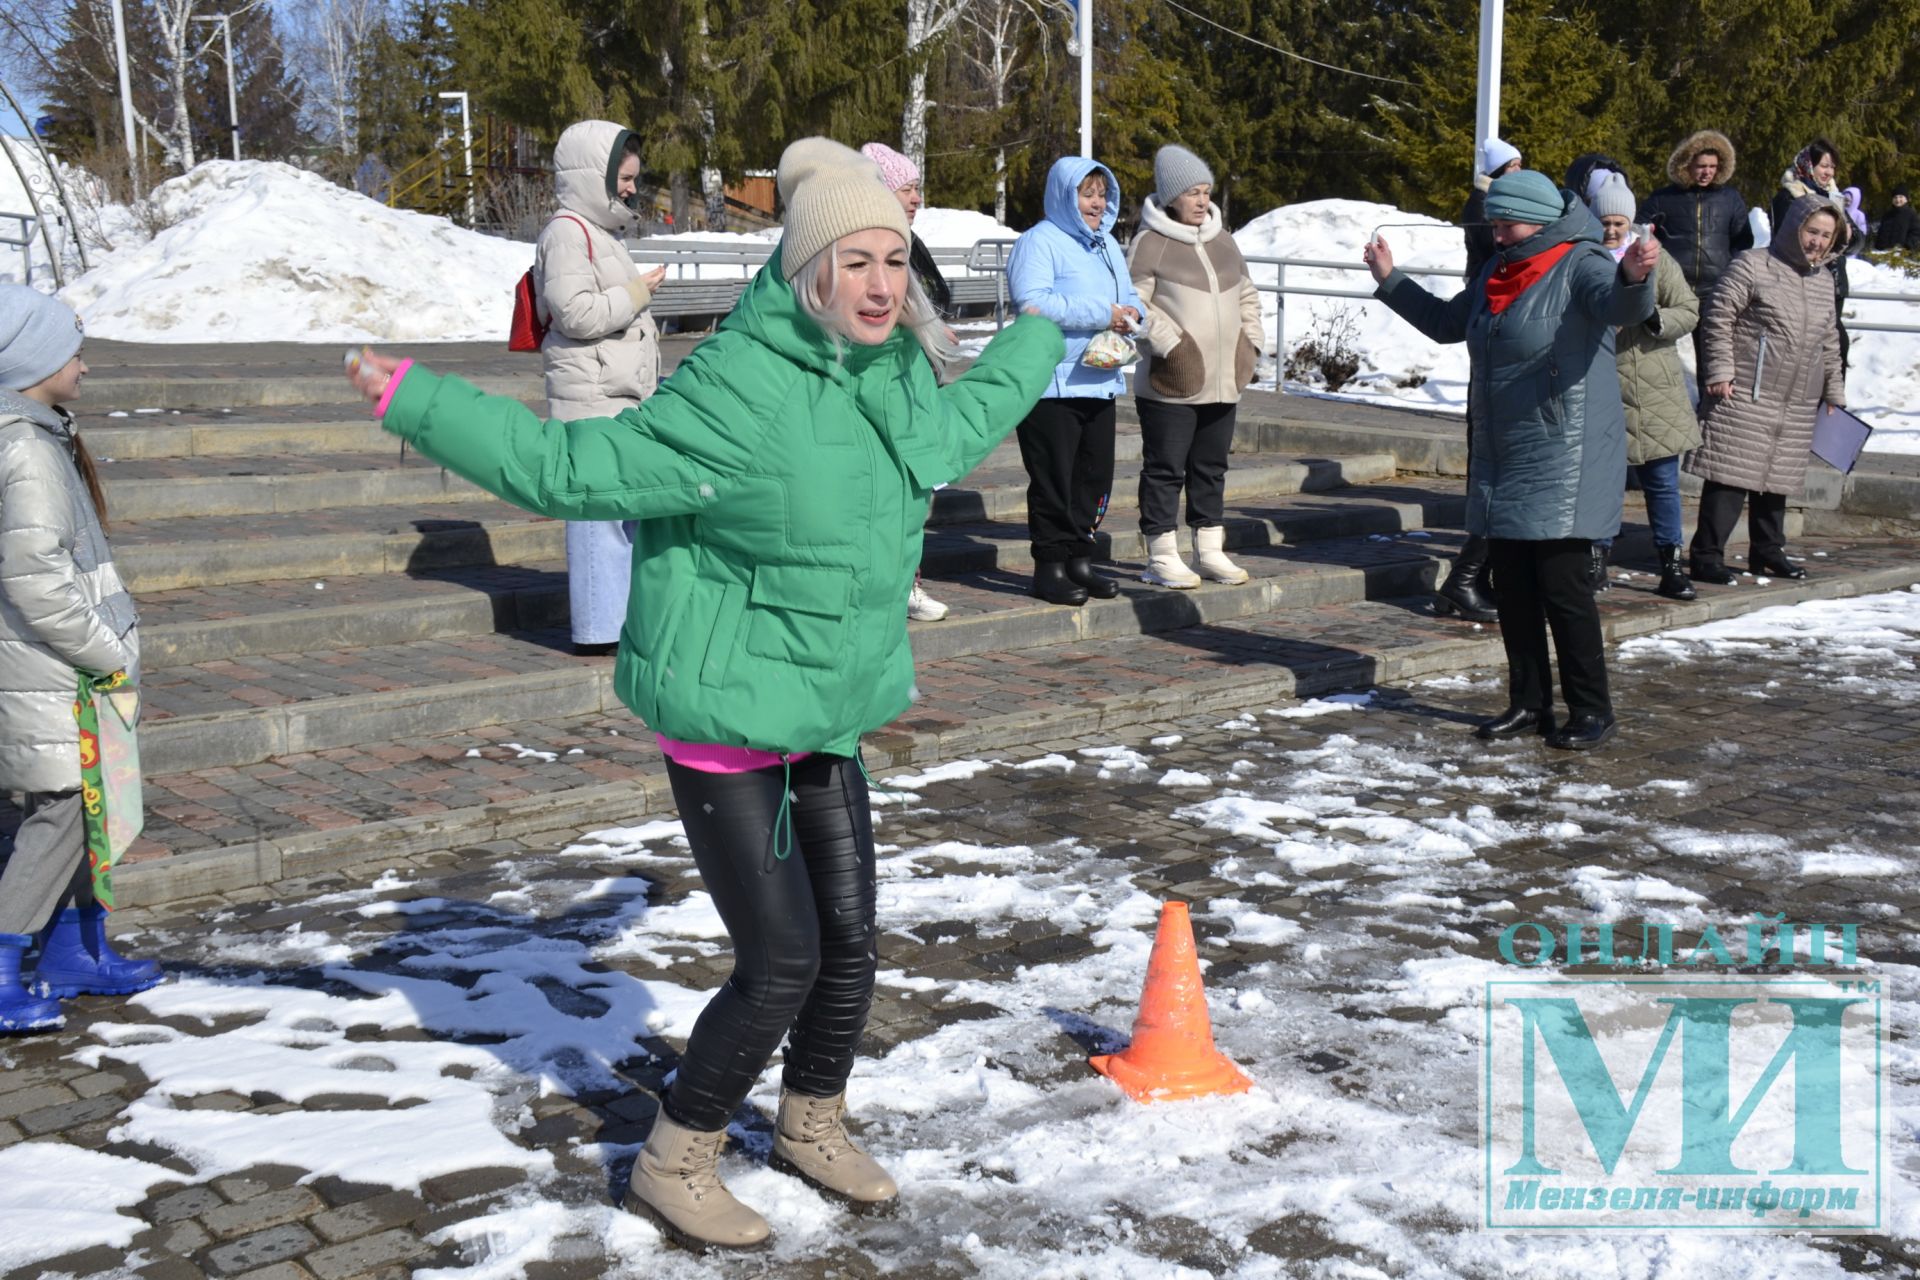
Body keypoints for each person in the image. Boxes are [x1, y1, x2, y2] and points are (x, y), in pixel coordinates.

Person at [346, 139, 1062, 1249]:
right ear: (807, 267)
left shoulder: (890, 372)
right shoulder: (742, 390)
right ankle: (675, 1156)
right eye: (856, 262)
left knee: (853, 941)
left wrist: (1041, 334)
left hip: (823, 707)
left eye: (894, 261)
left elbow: (951, 434)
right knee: (782, 958)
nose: (881, 285)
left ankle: (811, 1120)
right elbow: (572, 472)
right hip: (729, 713)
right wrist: (417, 399)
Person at [1364, 170, 1659, 751]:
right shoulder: (1499, 270)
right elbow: (1451, 324)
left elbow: (1619, 306)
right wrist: (1391, 280)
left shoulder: (1583, 262)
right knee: (1514, 587)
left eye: (1508, 224)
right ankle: (1528, 703)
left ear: (1541, 219)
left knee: (1563, 586)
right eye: (1494, 225)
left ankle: (1592, 709)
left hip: (1564, 452)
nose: (1499, 236)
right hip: (1504, 452)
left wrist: (1634, 276)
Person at [0, 287, 161, 1034]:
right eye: (72, 352)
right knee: (65, 809)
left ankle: (72, 948)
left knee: (90, 805)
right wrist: (106, 654)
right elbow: (37, 578)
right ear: (34, 361)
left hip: (60, 664)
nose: (86, 366)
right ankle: (4, 960)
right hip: (52, 668)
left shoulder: (41, 434)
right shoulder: (26, 450)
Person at [535, 120, 667, 656]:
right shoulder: (568, 232)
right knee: (596, 517)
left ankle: (616, 622)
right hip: (591, 397)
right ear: (596, 176)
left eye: (634, 178)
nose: (633, 187)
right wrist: (637, 292)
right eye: (625, 178)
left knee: (621, 513)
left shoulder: (599, 232)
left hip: (617, 393)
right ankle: (596, 630)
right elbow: (575, 312)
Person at [1687, 195, 1847, 586]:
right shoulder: (1753, 265)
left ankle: (1767, 551)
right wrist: (1720, 370)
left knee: (1778, 477)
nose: (1818, 242)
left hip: (1795, 398)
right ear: (1794, 227)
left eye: (1827, 236)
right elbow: (1718, 315)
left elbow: (1829, 339)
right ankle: (1706, 555)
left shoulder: (1823, 280)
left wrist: (1834, 392)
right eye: (1813, 231)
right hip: (1743, 390)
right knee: (1729, 475)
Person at [1007, 155, 1145, 605]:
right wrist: (1104, 314)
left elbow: (1127, 296)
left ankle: (1080, 558)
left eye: (1102, 194)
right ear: (1066, 195)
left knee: (1094, 478)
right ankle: (1049, 566)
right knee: (1054, 480)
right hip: (1051, 383)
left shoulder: (1105, 244)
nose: (1096, 203)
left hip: (1099, 376)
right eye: (1087, 194)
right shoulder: (1038, 242)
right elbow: (1033, 303)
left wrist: (1133, 314)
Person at [1127, 144, 1263, 589]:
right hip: (1172, 382)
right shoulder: (1149, 243)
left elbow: (1247, 295)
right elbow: (1132, 304)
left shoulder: (1224, 240)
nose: (1203, 201)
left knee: (1211, 467)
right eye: (1192, 193)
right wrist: (1170, 343)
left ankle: (1209, 550)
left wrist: (1252, 343)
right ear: (1171, 197)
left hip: (1225, 381)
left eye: (1206, 191)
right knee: (1166, 469)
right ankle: (1162, 555)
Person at [1588, 176, 1700, 601]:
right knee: (1602, 483)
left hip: (1653, 385)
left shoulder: (1655, 257)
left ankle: (1671, 566)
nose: (1611, 230)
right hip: (1602, 384)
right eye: (1604, 221)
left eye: (1618, 222)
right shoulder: (1584, 257)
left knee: (1662, 484)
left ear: (1630, 221)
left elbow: (1688, 308)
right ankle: (1596, 558)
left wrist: (1654, 320)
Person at [861, 140, 952, 623]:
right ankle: (890, 584)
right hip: (882, 386)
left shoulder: (909, 241)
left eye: (918, 189)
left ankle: (908, 582)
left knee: (915, 492)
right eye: (907, 188)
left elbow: (931, 299)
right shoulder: (867, 241)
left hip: (916, 385)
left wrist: (932, 326)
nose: (917, 198)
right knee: (885, 492)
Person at [1636, 129, 1753, 399]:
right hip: (1673, 291)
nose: (1707, 172)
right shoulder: (1663, 198)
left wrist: (1731, 275)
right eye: (1701, 166)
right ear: (1686, 164)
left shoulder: (1730, 199)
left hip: (1716, 291)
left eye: (1713, 166)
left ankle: (1709, 414)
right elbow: (1640, 233)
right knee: (1658, 356)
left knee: (1711, 361)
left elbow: (1743, 241)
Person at [1771, 139, 1852, 367]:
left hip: (1833, 280)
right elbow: (1785, 237)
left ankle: (1832, 401)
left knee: (1836, 344)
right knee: (1803, 343)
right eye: (1824, 165)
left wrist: (1846, 231)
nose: (1829, 172)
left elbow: (1856, 240)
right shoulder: (1790, 195)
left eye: (1832, 166)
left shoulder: (1834, 196)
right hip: (1800, 279)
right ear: (1808, 165)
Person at [1462, 137, 1523, 281]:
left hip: (1500, 276)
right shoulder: (1479, 200)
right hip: (1482, 279)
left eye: (1520, 165)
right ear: (1499, 169)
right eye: (1513, 165)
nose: (1519, 170)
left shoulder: (1504, 198)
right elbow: (1486, 245)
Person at [1873, 185, 1917, 251]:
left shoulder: (1911, 215)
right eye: (1895, 197)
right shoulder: (1887, 215)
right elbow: (1881, 233)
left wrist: (1906, 247)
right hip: (1883, 253)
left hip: (1902, 254)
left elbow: (1916, 233)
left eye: (1901, 197)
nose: (1898, 200)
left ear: (1906, 199)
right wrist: (1878, 247)